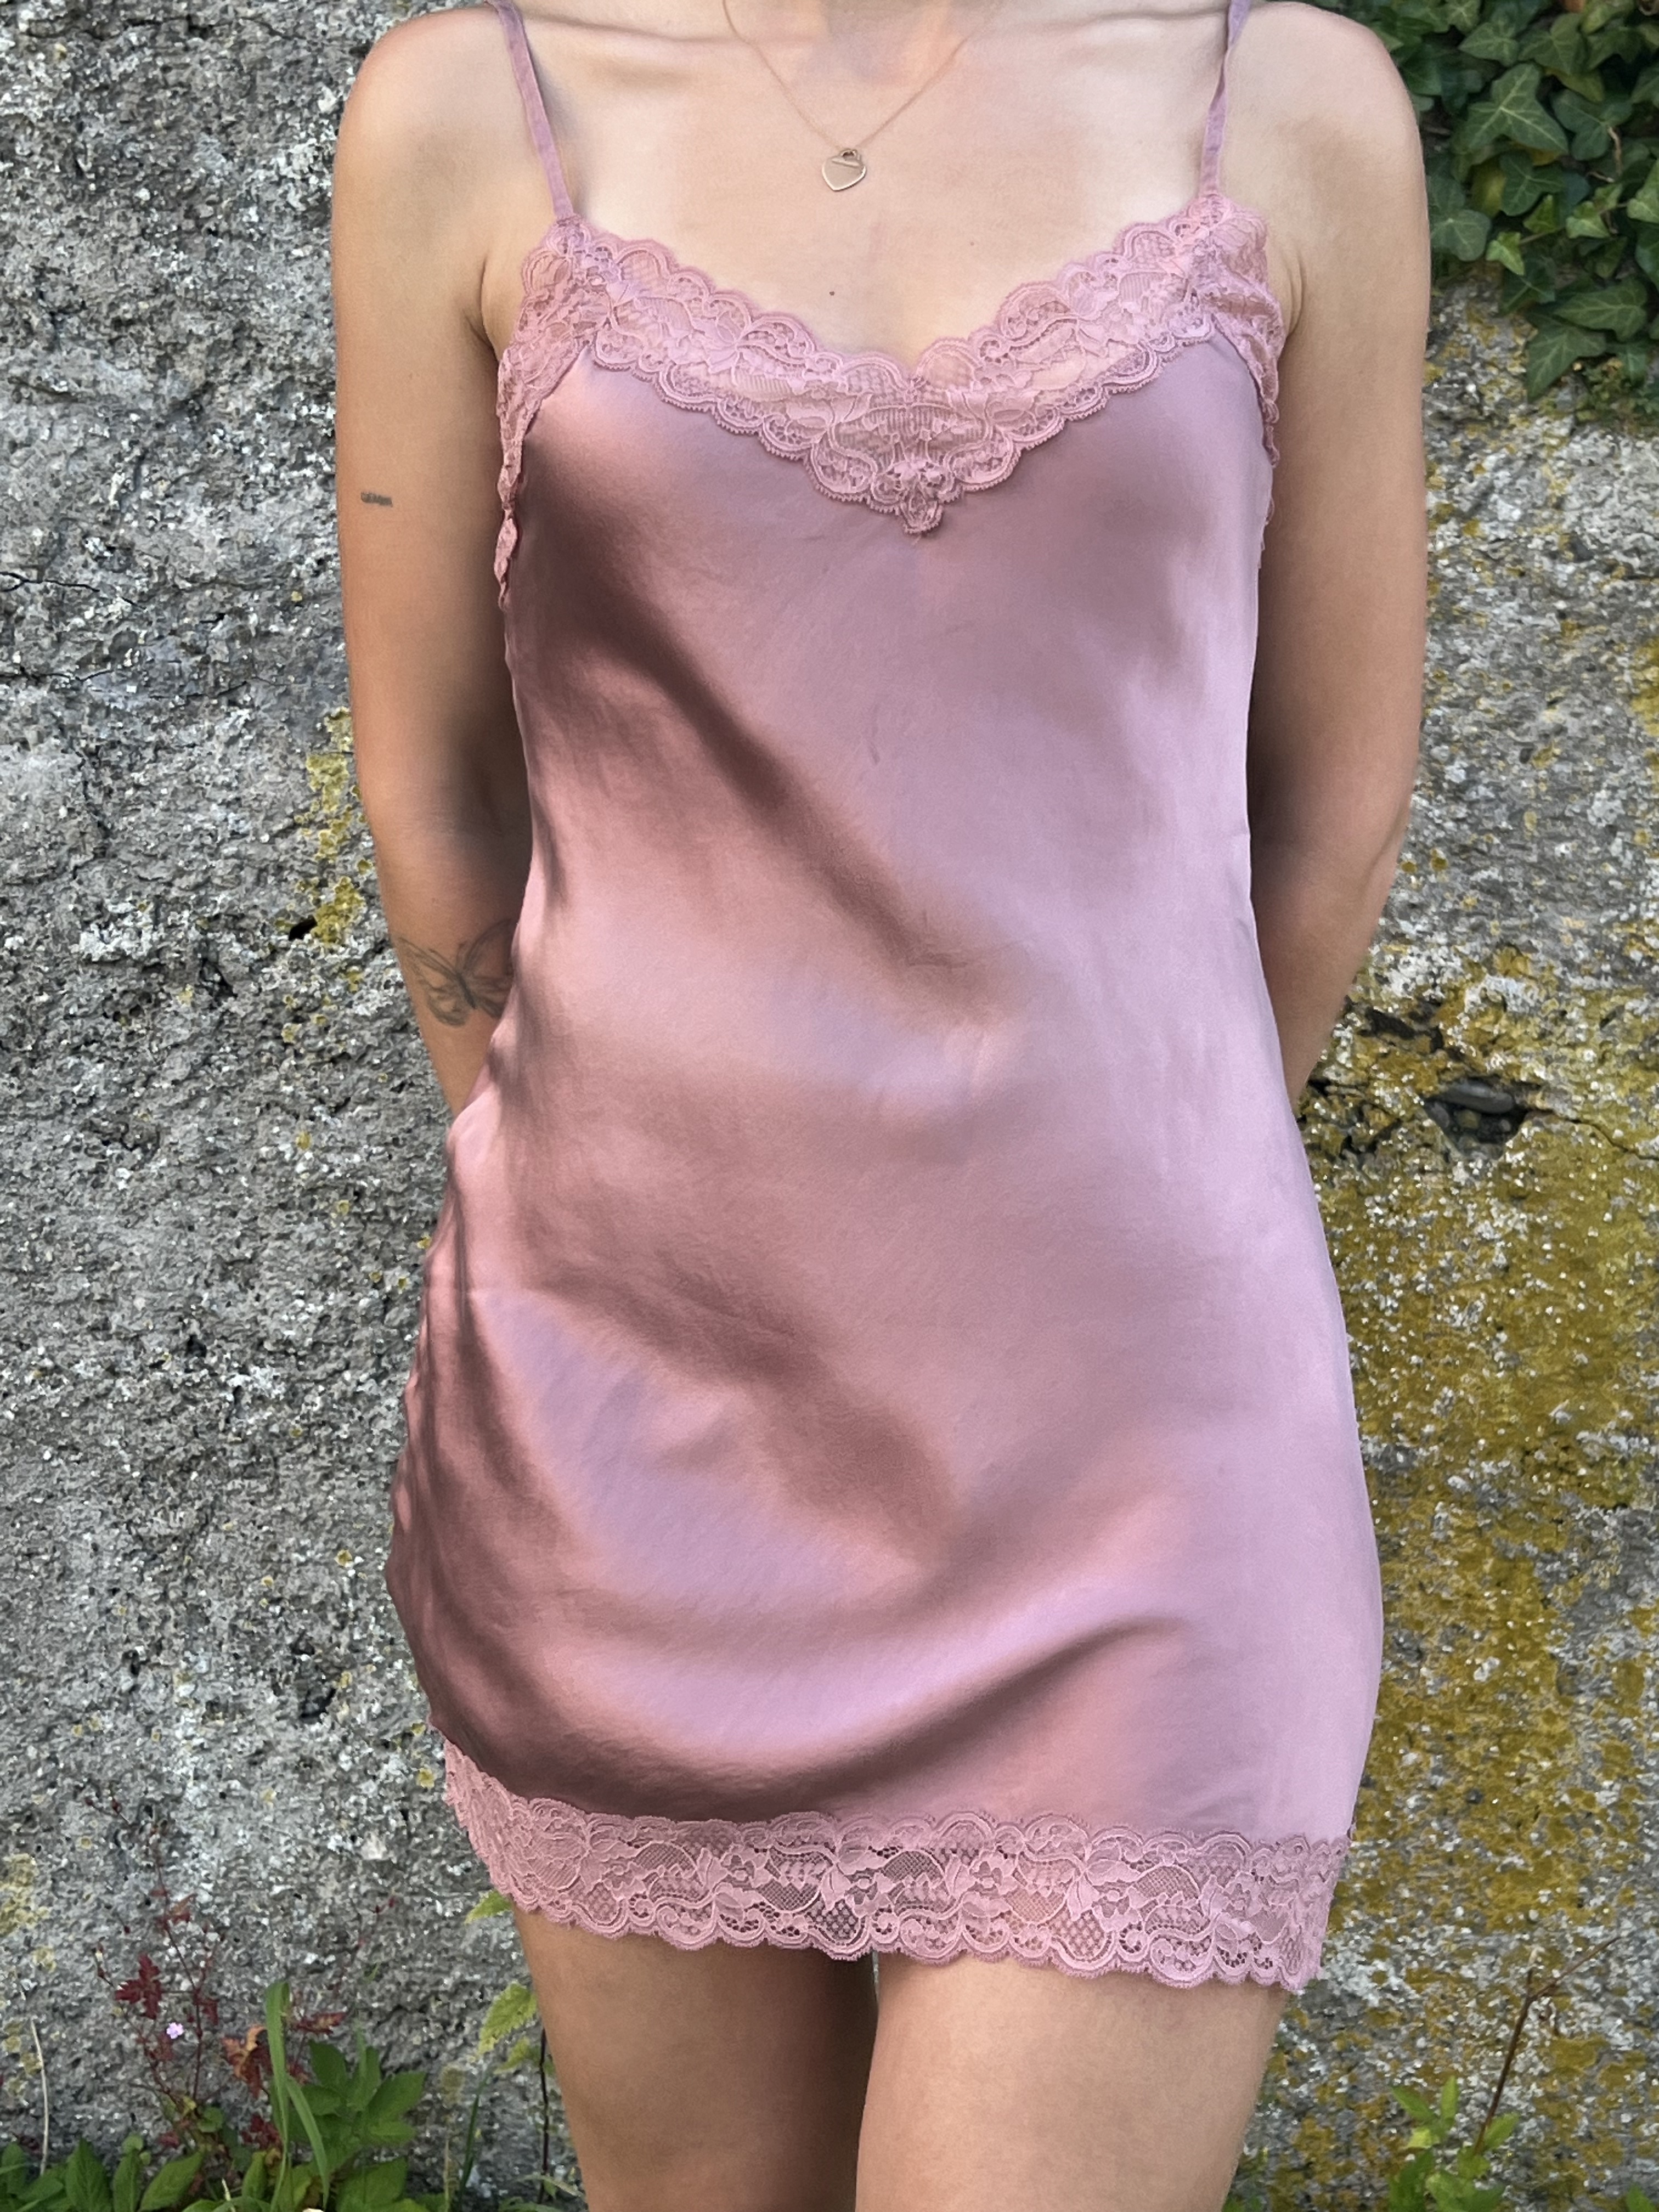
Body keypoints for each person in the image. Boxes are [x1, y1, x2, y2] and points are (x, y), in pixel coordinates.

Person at [329, 0, 1427, 2196]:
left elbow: (1325, 807)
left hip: (1139, 1454)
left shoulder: (1288, 104)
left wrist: (1147, 1174)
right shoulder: (473, 108)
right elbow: (433, 790)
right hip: (634, 1428)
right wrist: (574, 1190)